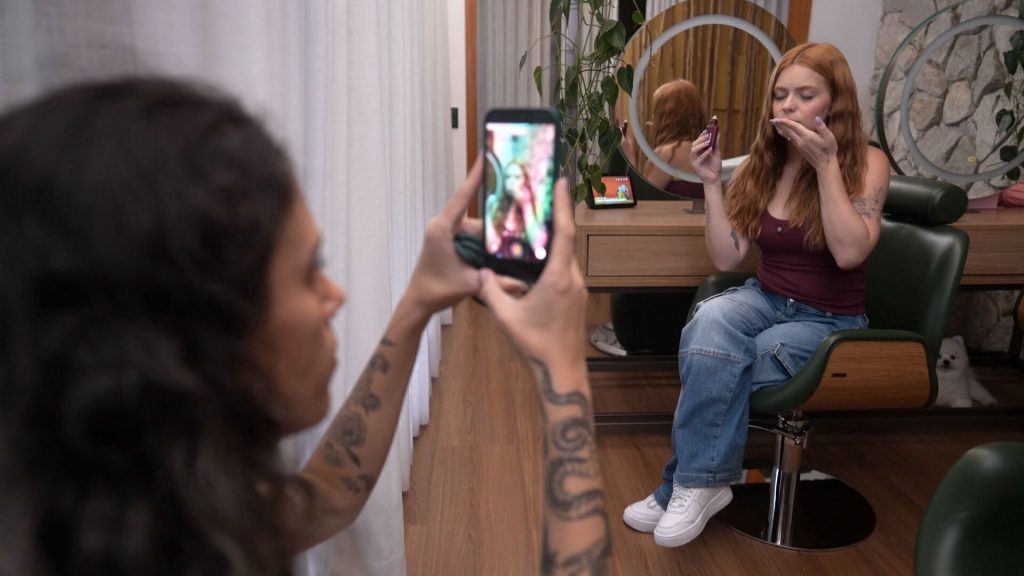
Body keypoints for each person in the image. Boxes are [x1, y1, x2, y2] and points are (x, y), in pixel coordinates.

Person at [0, 78, 607, 575]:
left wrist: (418, 301)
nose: (334, 296)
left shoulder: (154, 514)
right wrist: (564, 375)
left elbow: (327, 496)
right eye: (308, 271)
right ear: (200, 328)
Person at [622, 42, 890, 547]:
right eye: (780, 95)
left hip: (829, 321)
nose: (788, 105)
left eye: (805, 95)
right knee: (708, 324)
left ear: (835, 101)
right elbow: (727, 258)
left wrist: (826, 166)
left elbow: (850, 252)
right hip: (765, 298)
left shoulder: (867, 162)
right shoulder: (764, 163)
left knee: (717, 364)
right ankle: (701, 484)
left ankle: (681, 485)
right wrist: (710, 182)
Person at [620, 78, 706, 196]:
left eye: (656, 112)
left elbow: (641, 197)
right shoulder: (705, 151)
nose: (653, 117)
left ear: (667, 117)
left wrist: (629, 153)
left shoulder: (669, 153)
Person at [485, 160, 547, 261]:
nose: (511, 181)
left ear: (526, 181)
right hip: (499, 265)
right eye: (508, 177)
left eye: (517, 177)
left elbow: (539, 247)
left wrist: (525, 205)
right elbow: (491, 246)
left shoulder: (534, 207)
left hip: (526, 267)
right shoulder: (495, 205)